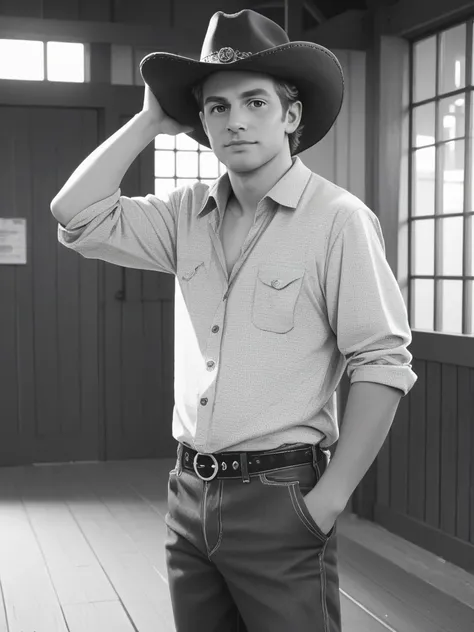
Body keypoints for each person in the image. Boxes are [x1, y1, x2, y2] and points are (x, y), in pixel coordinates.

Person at [50, 9, 418, 632]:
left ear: (291, 116)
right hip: (188, 491)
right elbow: (75, 215)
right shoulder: (184, 214)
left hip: (283, 497)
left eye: (255, 101)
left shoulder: (338, 220)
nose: (236, 120)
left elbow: (382, 363)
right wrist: (148, 120)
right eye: (216, 107)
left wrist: (327, 504)